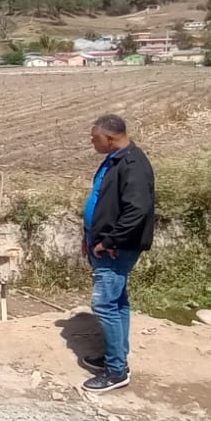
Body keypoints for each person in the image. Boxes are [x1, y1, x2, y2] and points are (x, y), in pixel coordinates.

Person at [78, 114, 156, 394]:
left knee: (104, 305)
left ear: (110, 138)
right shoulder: (116, 160)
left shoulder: (133, 165)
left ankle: (116, 371)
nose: (91, 141)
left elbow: (137, 210)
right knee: (118, 301)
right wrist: (89, 236)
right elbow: (104, 201)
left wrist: (110, 239)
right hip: (103, 243)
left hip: (114, 249)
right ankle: (116, 356)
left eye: (94, 137)